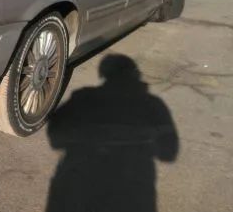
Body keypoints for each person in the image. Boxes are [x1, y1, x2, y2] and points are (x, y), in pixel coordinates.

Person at [46, 54, 178, 212]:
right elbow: (169, 153)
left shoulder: (82, 98)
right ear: (135, 75)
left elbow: (55, 136)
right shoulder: (154, 105)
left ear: (104, 75)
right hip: (132, 194)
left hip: (79, 191)